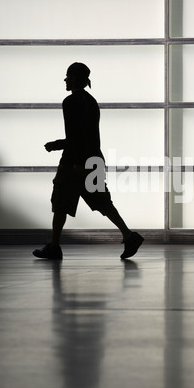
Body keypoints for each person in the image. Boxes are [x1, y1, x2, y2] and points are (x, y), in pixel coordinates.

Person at [33, 62, 144, 260]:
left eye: (67, 76)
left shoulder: (70, 102)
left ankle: (54, 246)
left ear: (74, 78)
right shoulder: (91, 101)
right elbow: (87, 134)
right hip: (94, 159)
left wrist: (74, 160)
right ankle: (128, 235)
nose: (65, 79)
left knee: (60, 203)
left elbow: (75, 135)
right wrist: (58, 145)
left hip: (74, 163)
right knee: (102, 202)